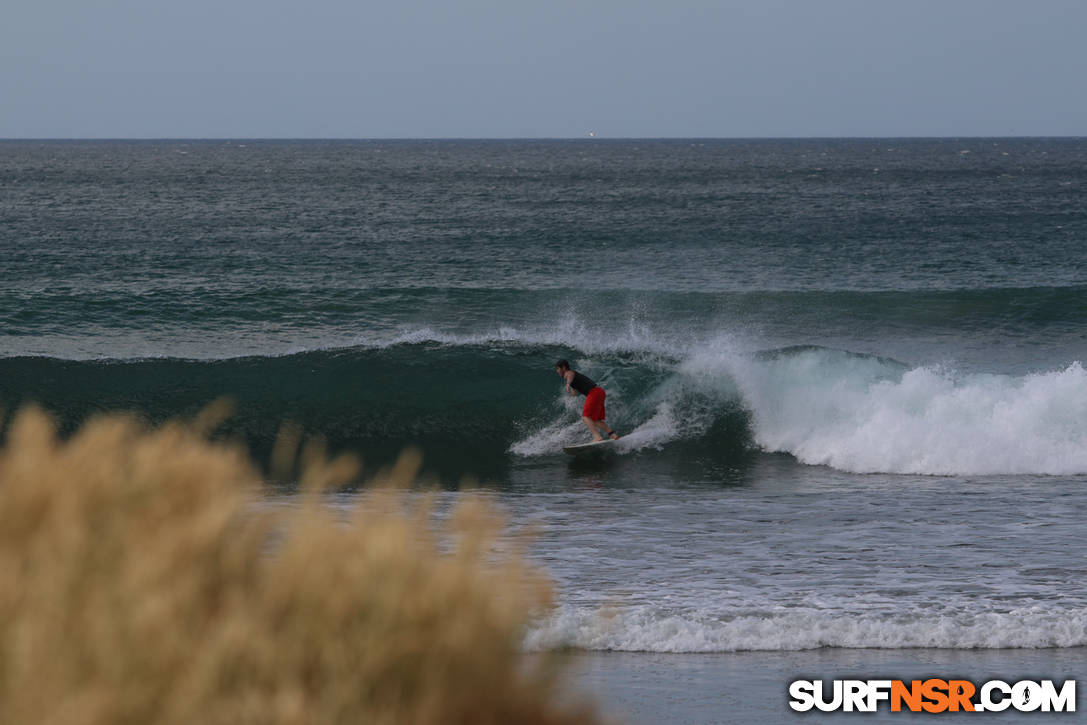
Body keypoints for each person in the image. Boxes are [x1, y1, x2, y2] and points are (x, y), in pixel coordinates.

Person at [554, 359, 620, 442]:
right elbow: (576, 391)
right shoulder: (574, 378)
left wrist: (568, 384)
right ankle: (613, 435)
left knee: (585, 417)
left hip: (594, 393)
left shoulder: (569, 373)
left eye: (557, 369)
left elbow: (570, 375)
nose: (557, 371)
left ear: (563, 367)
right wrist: (571, 395)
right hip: (600, 392)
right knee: (595, 420)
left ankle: (597, 437)